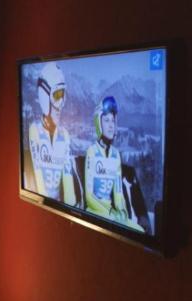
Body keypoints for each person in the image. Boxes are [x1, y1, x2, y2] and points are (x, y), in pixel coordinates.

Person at [84, 96, 143, 232]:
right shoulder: (92, 152)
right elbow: (89, 197)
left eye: (113, 120)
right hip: (94, 211)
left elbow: (118, 193)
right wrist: (110, 213)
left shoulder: (116, 155)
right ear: (99, 123)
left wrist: (122, 212)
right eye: (106, 120)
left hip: (111, 215)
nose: (111, 125)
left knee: (139, 231)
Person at [28, 62, 79, 207]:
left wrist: (71, 208)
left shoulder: (65, 135)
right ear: (45, 97)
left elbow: (68, 186)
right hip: (40, 206)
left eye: (63, 95)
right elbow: (38, 178)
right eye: (57, 95)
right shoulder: (35, 130)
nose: (61, 104)